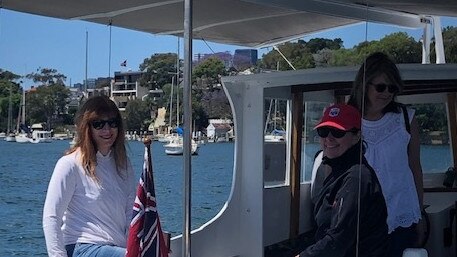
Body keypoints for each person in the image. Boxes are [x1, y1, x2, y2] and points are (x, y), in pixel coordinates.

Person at [347, 52, 424, 257]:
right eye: (380, 87)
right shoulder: (348, 119)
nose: (386, 93)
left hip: (402, 216)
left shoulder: (407, 119)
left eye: (392, 88)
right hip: (361, 221)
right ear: (364, 85)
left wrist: (420, 214)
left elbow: (414, 167)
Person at [43, 95, 136, 257]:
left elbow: (131, 213)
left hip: (115, 247)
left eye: (112, 123)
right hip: (81, 247)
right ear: (87, 128)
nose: (107, 130)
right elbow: (51, 217)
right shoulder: (70, 164)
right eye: (98, 124)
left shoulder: (123, 165)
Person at [302, 104, 388, 257]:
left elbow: (339, 239)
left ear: (356, 136)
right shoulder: (341, 172)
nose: (328, 138)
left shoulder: (356, 177)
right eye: (323, 131)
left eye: (337, 132)